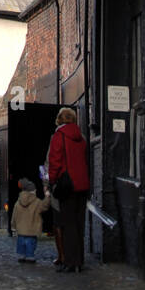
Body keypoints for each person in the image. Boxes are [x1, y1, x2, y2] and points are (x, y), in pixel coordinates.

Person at [47, 106, 90, 273]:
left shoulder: (59, 136)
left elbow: (55, 161)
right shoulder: (81, 137)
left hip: (67, 185)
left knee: (67, 224)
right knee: (79, 224)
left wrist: (52, 181)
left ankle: (71, 262)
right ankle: (79, 261)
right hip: (82, 184)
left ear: (60, 119)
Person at [12, 177, 50, 263]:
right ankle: (30, 256)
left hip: (21, 230)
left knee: (21, 244)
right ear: (33, 192)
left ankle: (22, 255)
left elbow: (14, 215)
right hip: (32, 230)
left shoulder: (18, 202)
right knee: (30, 244)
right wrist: (47, 197)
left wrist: (13, 227)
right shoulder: (36, 202)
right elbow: (44, 206)